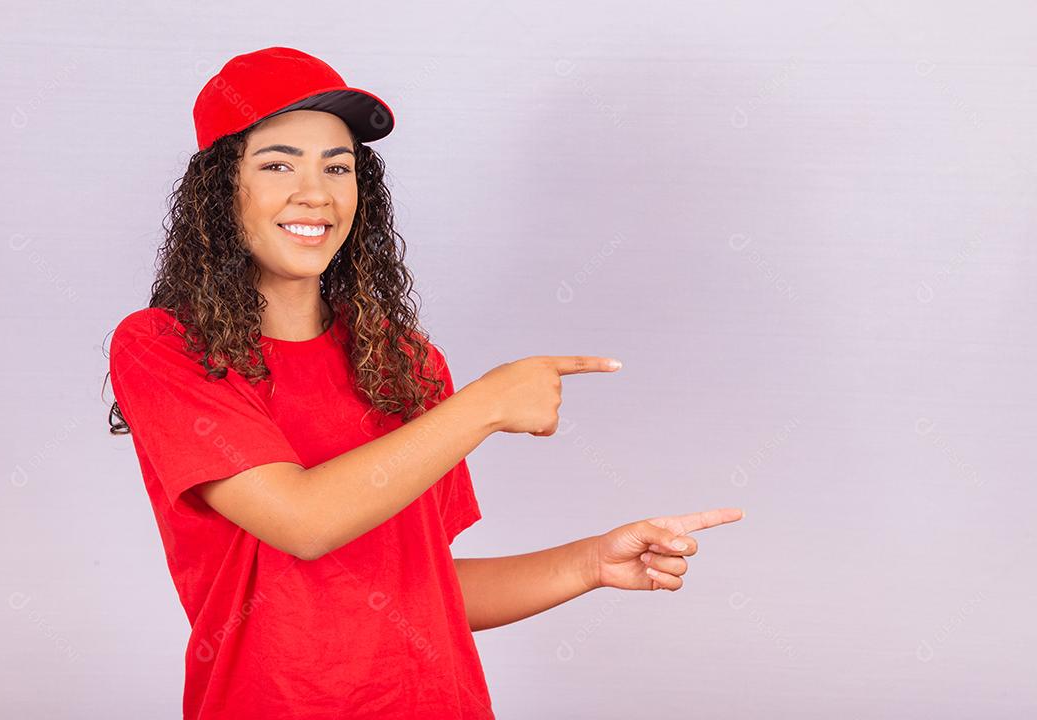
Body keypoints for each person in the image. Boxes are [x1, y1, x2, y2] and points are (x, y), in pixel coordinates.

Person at [104, 46, 745, 719]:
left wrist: (589, 563)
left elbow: (421, 589)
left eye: (338, 167)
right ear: (220, 187)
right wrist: (488, 405)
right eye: (277, 164)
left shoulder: (402, 362)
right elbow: (303, 521)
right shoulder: (166, 348)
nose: (314, 192)